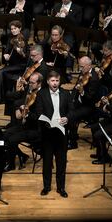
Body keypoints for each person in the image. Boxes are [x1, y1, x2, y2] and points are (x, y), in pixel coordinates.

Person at [36, 70, 73, 198]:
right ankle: (46, 186)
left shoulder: (66, 94)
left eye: (57, 80)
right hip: (47, 133)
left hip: (61, 133)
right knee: (47, 162)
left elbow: (71, 110)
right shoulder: (41, 94)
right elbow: (39, 111)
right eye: (52, 81)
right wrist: (47, 122)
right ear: (47, 81)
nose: (55, 83)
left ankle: (61, 187)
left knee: (61, 162)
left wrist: (67, 118)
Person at [3, 72, 42, 172]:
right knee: (5, 134)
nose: (30, 84)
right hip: (26, 125)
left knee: (11, 139)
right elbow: (20, 101)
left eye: (32, 83)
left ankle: (11, 164)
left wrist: (27, 113)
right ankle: (22, 156)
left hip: (36, 129)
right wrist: (18, 108)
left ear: (39, 84)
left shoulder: (42, 96)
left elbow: (39, 117)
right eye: (29, 82)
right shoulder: (30, 91)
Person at [68, 56, 101, 150]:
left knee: (72, 115)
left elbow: (90, 99)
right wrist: (70, 99)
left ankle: (73, 142)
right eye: (80, 66)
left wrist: (82, 92)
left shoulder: (94, 78)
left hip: (90, 106)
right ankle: (70, 135)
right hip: (80, 103)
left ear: (89, 65)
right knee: (66, 109)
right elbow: (75, 88)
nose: (80, 69)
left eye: (82, 66)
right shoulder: (83, 73)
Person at [90, 74, 112, 164]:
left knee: (99, 134)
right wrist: (106, 102)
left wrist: (107, 105)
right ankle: (99, 153)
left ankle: (104, 158)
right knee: (94, 127)